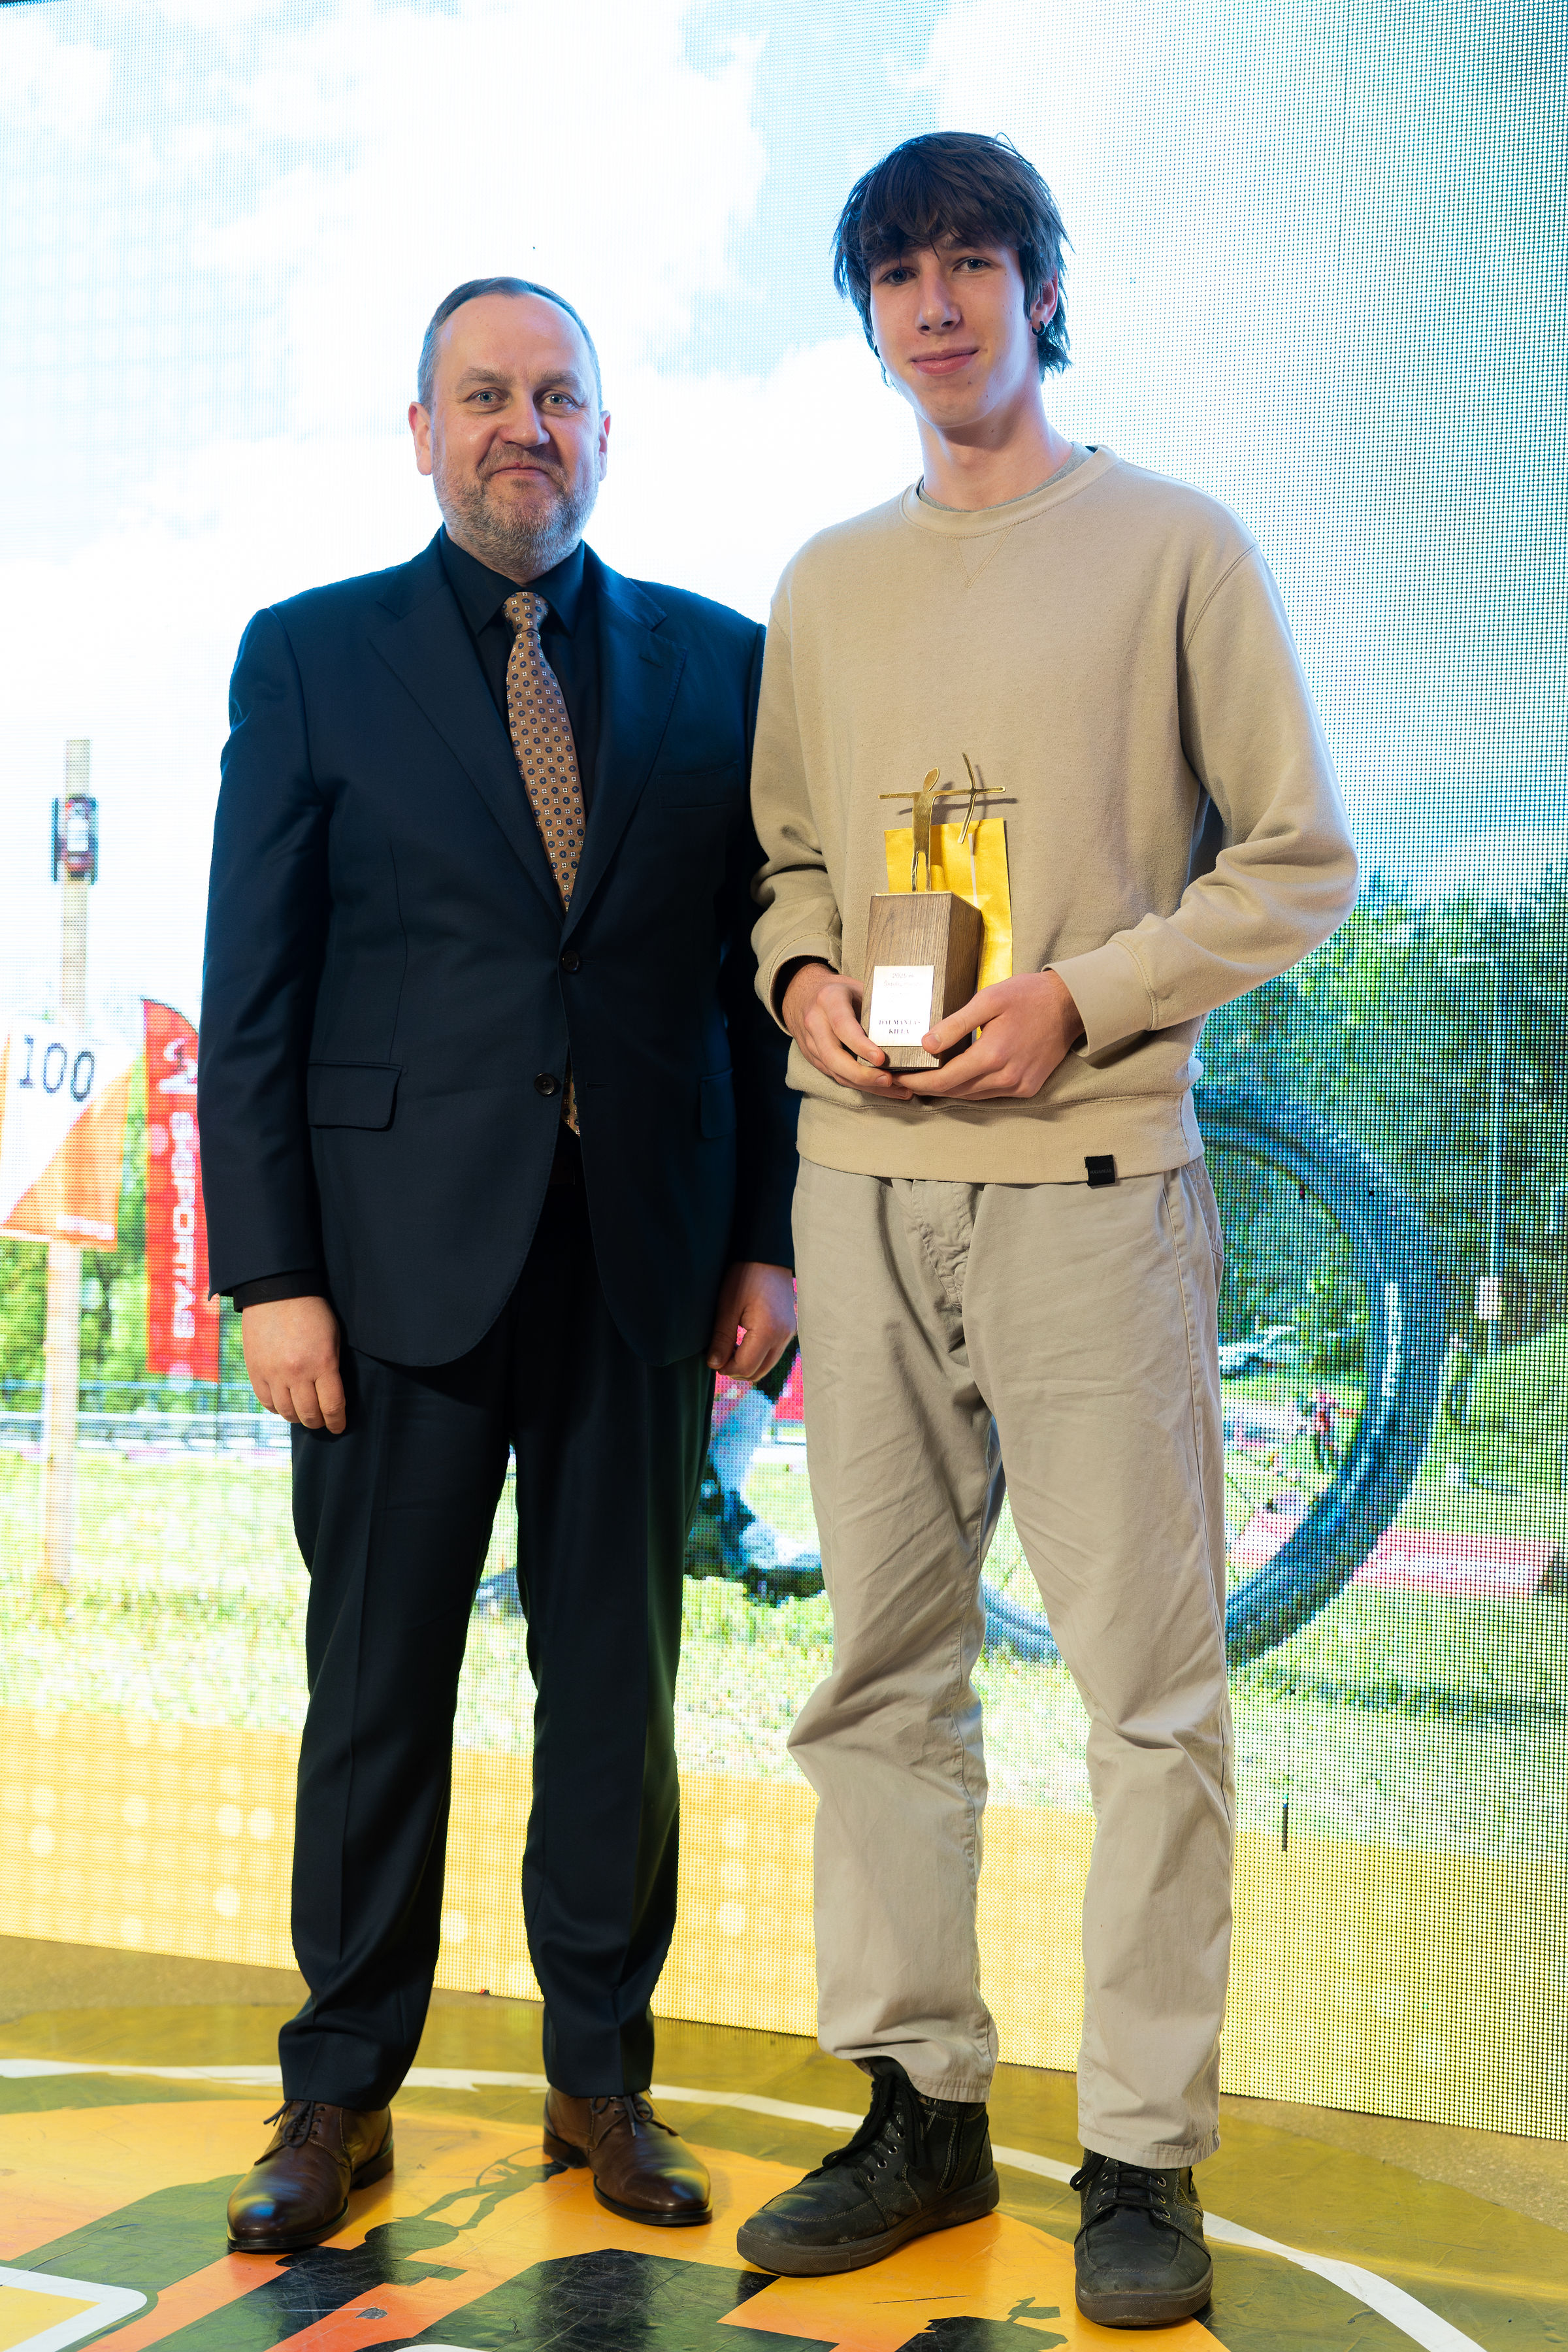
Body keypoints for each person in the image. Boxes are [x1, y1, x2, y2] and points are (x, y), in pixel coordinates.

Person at [734, 133, 1358, 2327]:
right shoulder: (827, 586)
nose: (937, 303)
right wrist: (805, 984)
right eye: (898, 272)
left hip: (1095, 1192)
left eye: (973, 262)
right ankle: (919, 2113)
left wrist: (1081, 1000)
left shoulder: (1178, 547)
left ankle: (1144, 2157)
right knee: (878, 1680)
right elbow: (792, 869)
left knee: (1148, 1701)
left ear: (1043, 289)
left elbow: (1299, 859)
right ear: (870, 316)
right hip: (860, 1188)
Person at [199, 276, 797, 2254]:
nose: (522, 427)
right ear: (422, 431)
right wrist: (270, 1276)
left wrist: (773, 1243)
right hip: (381, 1282)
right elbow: (254, 994)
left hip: (645, 1268)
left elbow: (753, 992)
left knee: (617, 1692)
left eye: (557, 396)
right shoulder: (309, 658)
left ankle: (600, 2078)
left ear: (605, 433)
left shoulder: (726, 667)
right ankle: (336, 2092)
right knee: (376, 1691)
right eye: (484, 395)